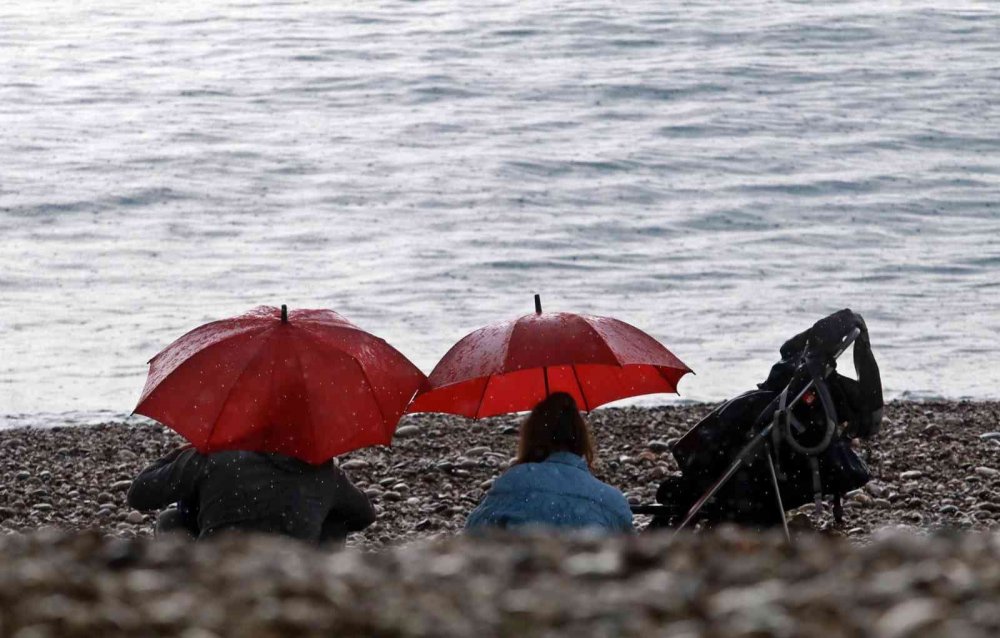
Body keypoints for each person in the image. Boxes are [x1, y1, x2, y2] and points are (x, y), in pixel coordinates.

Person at [127, 445, 375, 544]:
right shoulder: (322, 471)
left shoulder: (214, 456)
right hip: (295, 577)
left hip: (213, 574)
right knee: (336, 520)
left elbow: (139, 494)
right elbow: (364, 515)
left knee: (170, 520)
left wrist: (181, 454)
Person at [465, 392, 633, 533]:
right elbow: (633, 560)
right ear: (581, 439)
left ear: (531, 437)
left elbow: (472, 536)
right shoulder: (612, 501)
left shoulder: (512, 484)